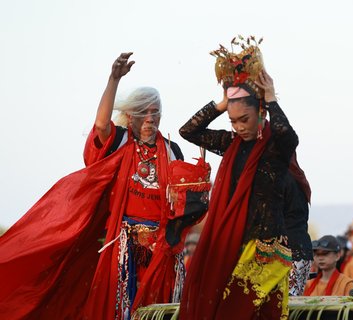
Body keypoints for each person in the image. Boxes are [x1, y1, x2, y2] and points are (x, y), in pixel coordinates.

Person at [0, 53, 210, 320]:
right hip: (125, 246)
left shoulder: (172, 150)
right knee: (123, 310)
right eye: (142, 112)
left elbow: (180, 201)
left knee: (158, 309)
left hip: (162, 247)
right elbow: (101, 125)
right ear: (130, 117)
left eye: (154, 112)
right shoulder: (120, 141)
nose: (149, 118)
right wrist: (114, 79)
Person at [179, 36, 298, 319]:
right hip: (232, 246)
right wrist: (223, 104)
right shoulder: (230, 144)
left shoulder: (274, 148)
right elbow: (188, 131)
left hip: (266, 251)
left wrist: (270, 98)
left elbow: (288, 135)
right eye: (232, 121)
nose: (238, 126)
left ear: (260, 112)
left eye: (244, 119)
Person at [285, 153, 313, 296]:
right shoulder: (297, 177)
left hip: (288, 251)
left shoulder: (281, 179)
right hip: (301, 250)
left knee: (284, 307)